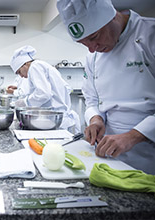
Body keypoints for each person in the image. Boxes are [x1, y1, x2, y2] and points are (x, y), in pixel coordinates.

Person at [57, 0, 155, 174]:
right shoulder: (93, 57)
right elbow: (92, 99)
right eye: (84, 43)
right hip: (109, 157)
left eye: (94, 38)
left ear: (110, 17)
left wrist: (133, 136)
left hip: (149, 157)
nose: (92, 49)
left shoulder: (150, 35)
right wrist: (96, 119)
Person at [10, 45, 81, 133]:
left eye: (19, 72)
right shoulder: (40, 65)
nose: (21, 76)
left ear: (24, 64)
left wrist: (25, 102)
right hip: (57, 118)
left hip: (54, 120)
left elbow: (43, 94)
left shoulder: (34, 67)